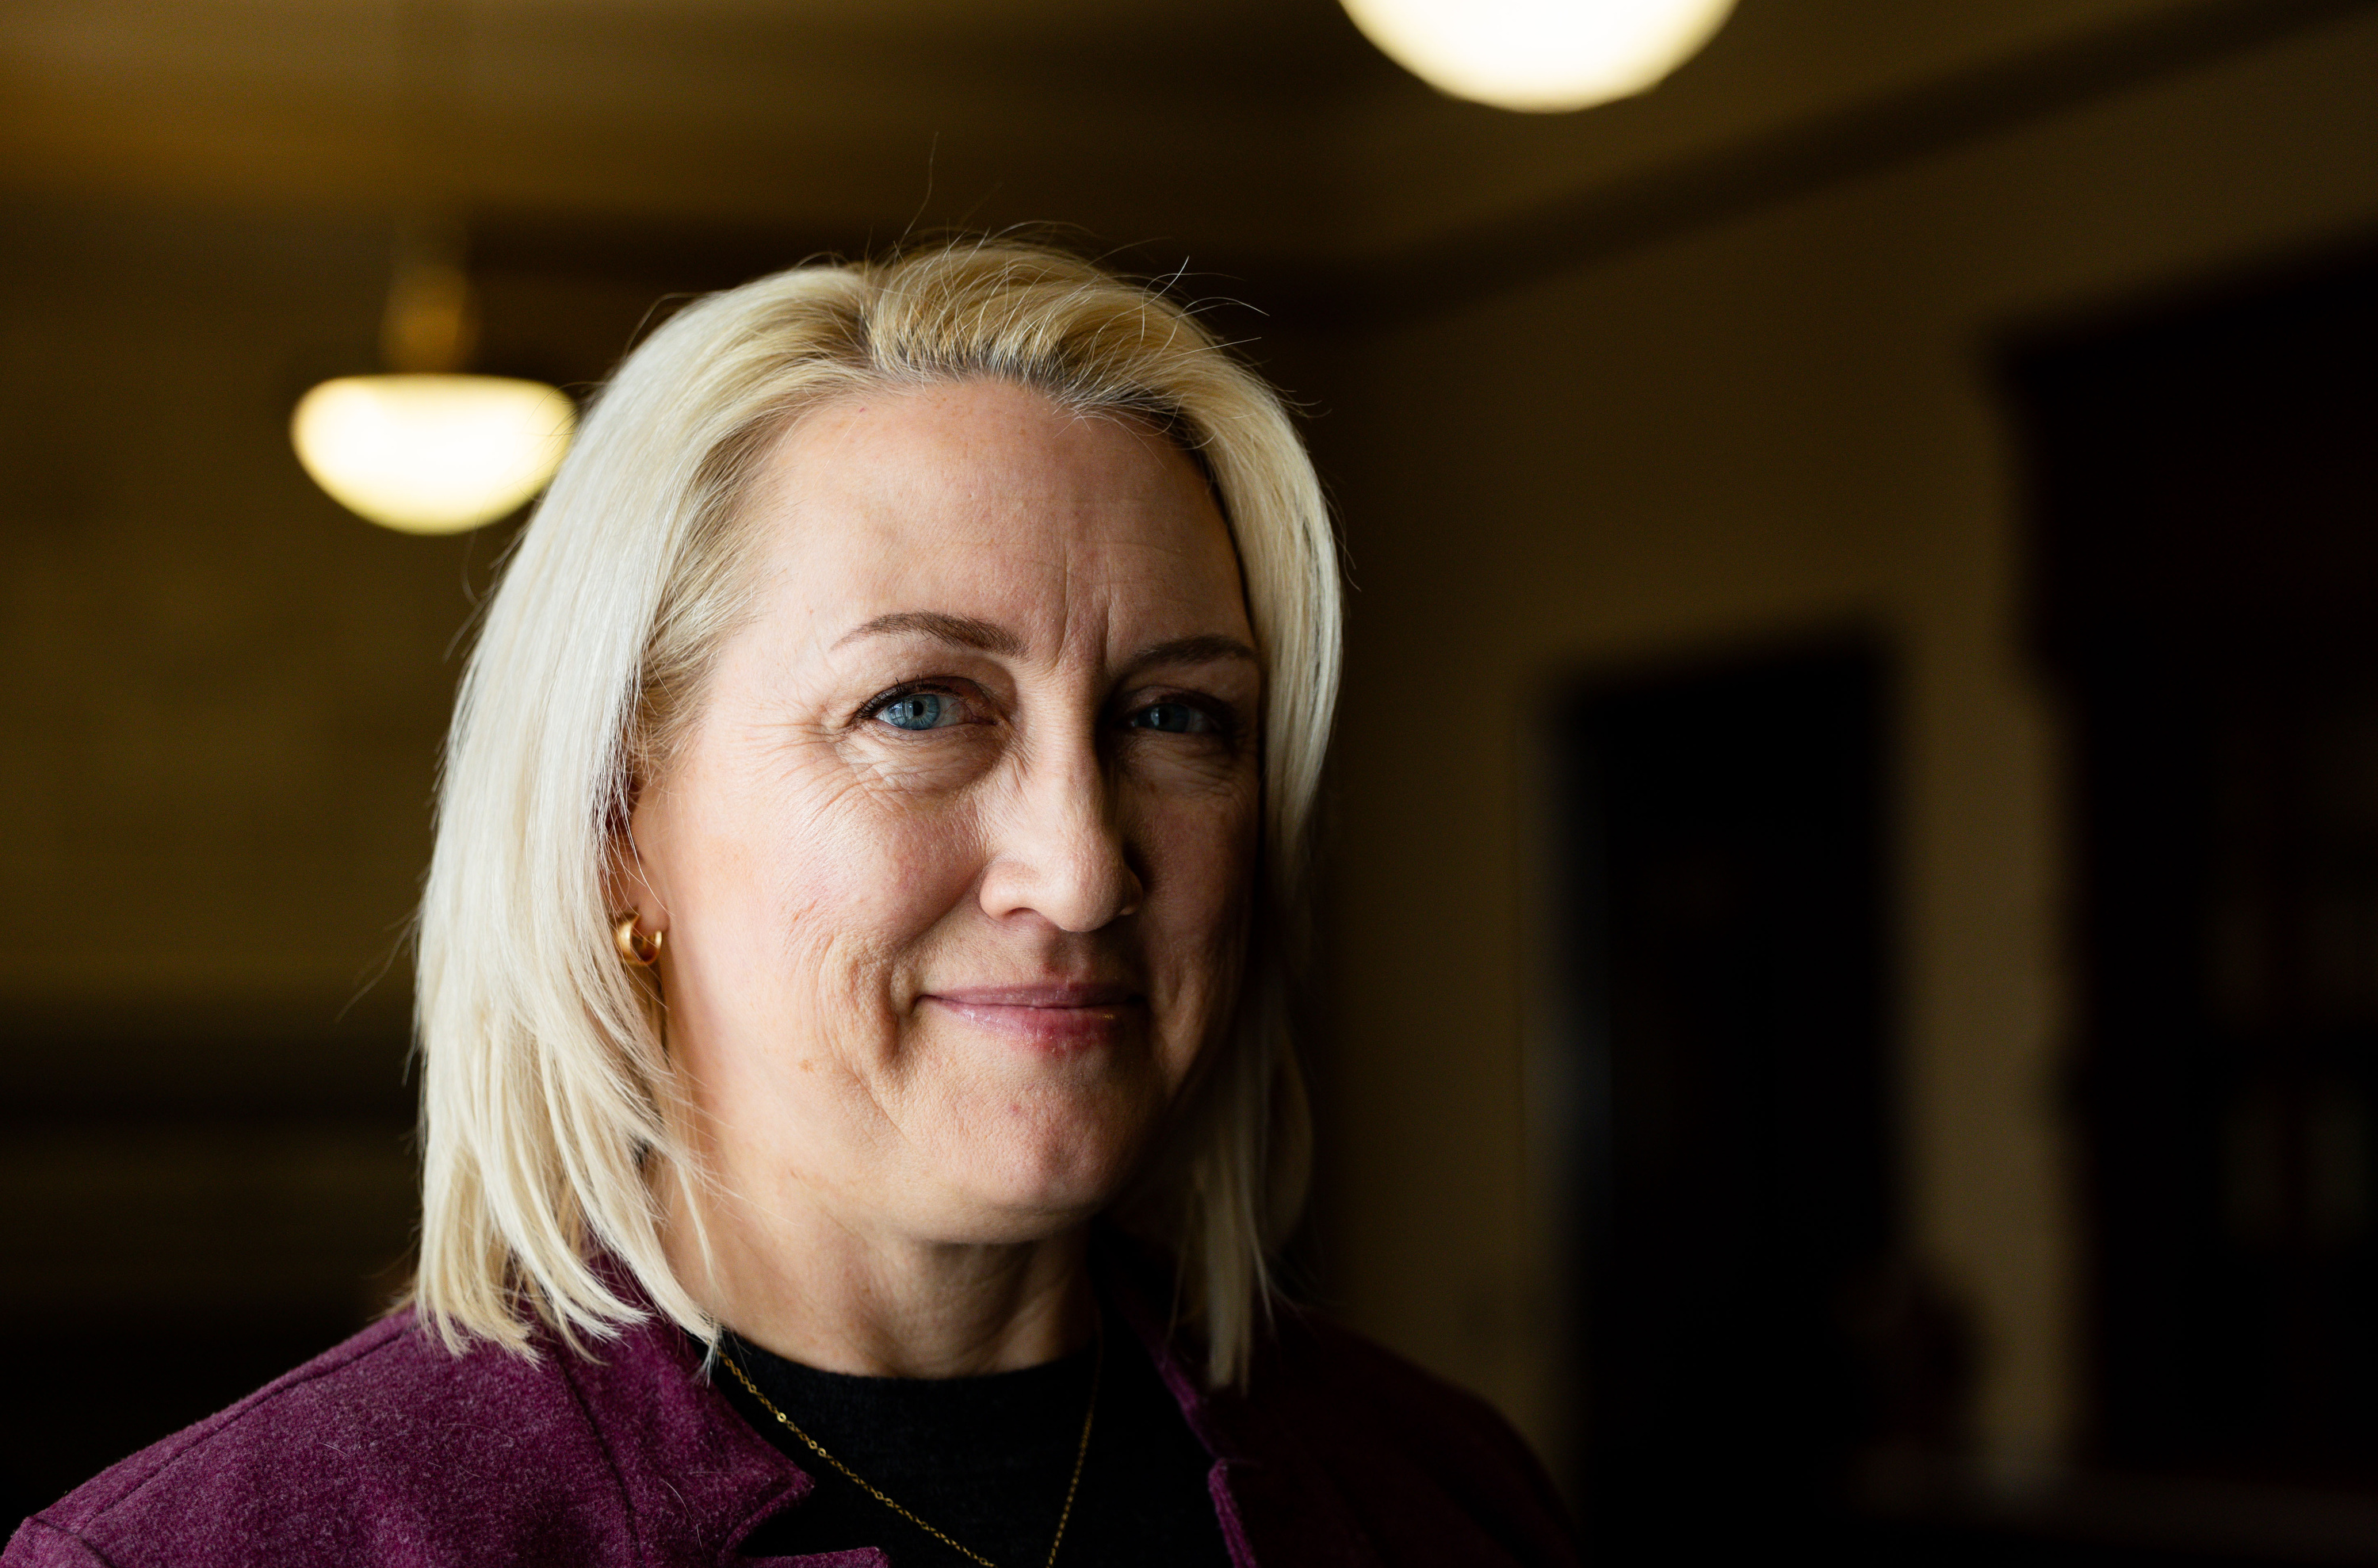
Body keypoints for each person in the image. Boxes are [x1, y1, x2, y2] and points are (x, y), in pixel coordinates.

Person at [5, 243, 1577, 1567]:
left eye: (1174, 717)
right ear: (618, 831)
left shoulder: (1444, 1500)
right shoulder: (224, 1550)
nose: (1084, 868)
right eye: (917, 706)